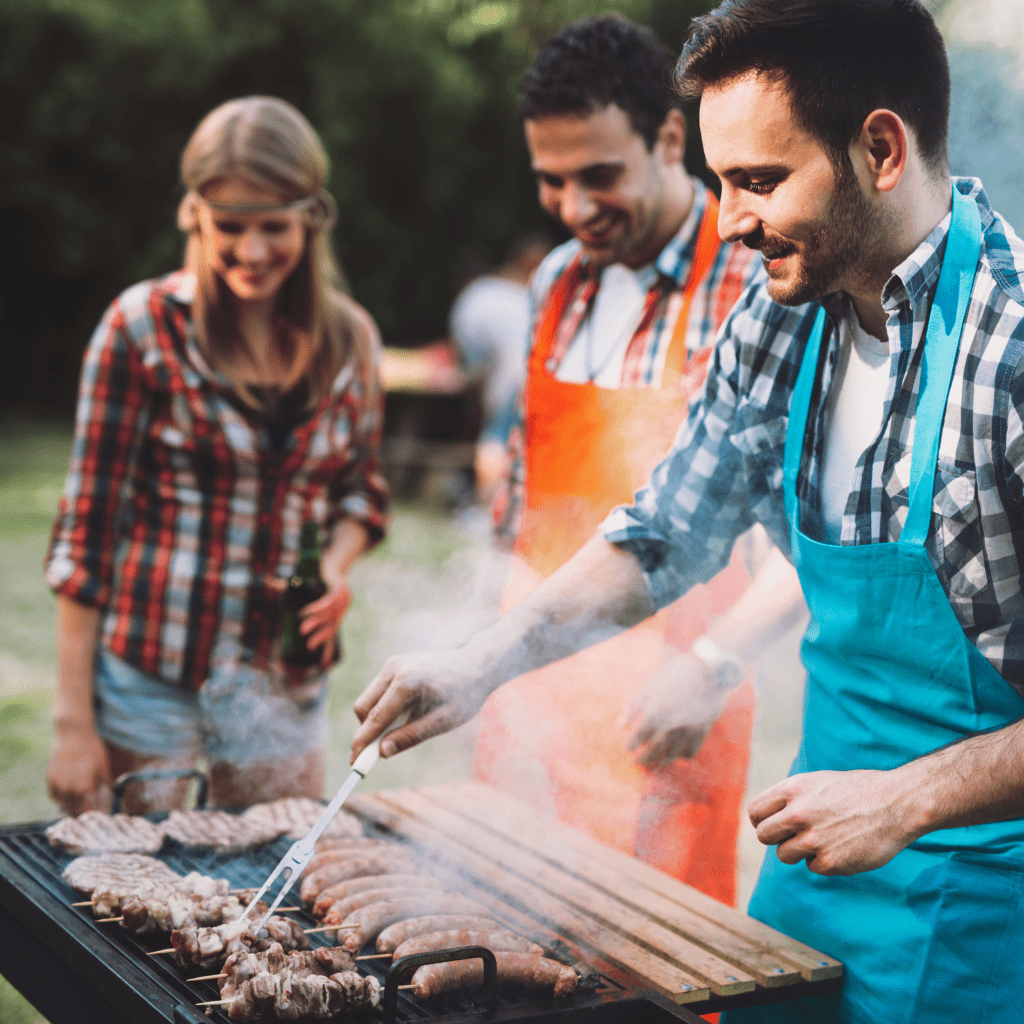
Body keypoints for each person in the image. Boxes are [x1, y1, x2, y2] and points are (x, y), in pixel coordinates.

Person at [351, 0, 1024, 1020]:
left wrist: (906, 796)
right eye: (719, 182)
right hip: (812, 862)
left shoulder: (1008, 355)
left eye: (758, 180)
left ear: (880, 148)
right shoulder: (781, 311)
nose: (727, 221)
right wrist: (483, 661)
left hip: (985, 902)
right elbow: (668, 529)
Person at [474, 13, 805, 907]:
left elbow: (809, 538)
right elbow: (521, 503)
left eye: (600, 176)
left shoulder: (755, 280)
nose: (576, 208)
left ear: (668, 138)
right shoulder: (553, 284)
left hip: (668, 698)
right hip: (531, 689)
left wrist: (712, 661)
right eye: (552, 182)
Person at [46, 96, 390, 816]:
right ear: (193, 214)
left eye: (274, 226)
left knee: (271, 886)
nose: (253, 250)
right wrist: (72, 723)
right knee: (136, 897)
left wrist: (332, 570)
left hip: (282, 683)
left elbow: (362, 491)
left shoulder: (351, 341)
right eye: (230, 226)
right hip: (149, 677)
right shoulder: (139, 329)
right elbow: (85, 532)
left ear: (312, 217)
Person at [448, 234, 551, 506]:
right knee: (504, 438)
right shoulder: (526, 297)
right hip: (529, 370)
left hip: (508, 371)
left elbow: (468, 350)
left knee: (495, 436)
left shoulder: (483, 291)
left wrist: (477, 377)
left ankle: (486, 507)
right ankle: (491, 507)